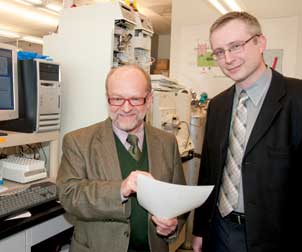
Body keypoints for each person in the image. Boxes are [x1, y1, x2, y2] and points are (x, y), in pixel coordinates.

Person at [192, 11, 302, 252]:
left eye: (236, 46)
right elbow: (209, 171)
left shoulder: (297, 97)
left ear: (260, 43)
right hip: (219, 232)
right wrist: (199, 230)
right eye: (219, 52)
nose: (228, 58)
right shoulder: (218, 105)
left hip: (275, 237)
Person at [57, 64, 187, 252]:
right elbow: (69, 196)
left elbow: (179, 202)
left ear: (149, 100)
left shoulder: (167, 142)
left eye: (135, 99)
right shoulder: (78, 141)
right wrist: (120, 189)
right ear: (108, 99)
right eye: (117, 99)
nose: (126, 108)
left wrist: (172, 227)